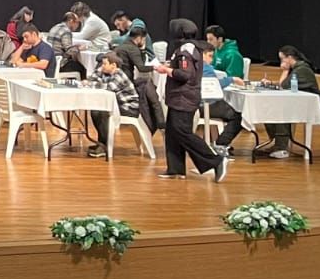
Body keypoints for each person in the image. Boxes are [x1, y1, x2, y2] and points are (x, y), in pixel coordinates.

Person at [153, 18, 225, 180]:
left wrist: (166, 70)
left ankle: (215, 160)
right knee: (172, 132)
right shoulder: (190, 48)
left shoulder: (186, 50)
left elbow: (185, 74)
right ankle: (176, 168)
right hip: (180, 97)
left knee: (182, 131)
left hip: (183, 97)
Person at [255, 46, 320, 159]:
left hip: (309, 106)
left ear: (290, 57)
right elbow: (286, 84)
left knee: (280, 109)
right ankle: (276, 141)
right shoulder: (297, 68)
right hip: (299, 102)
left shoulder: (302, 69)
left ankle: (281, 147)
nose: (281, 62)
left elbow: (284, 85)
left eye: (282, 59)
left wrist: (285, 71)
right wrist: (271, 83)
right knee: (269, 108)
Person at [87, 51, 140, 157]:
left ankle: (104, 145)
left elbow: (109, 87)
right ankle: (102, 143)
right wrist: (95, 79)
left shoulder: (120, 74)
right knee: (95, 111)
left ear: (113, 65)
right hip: (116, 104)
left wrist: (92, 83)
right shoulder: (104, 72)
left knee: (102, 113)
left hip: (128, 107)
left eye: (104, 64)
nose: (102, 66)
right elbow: (91, 79)